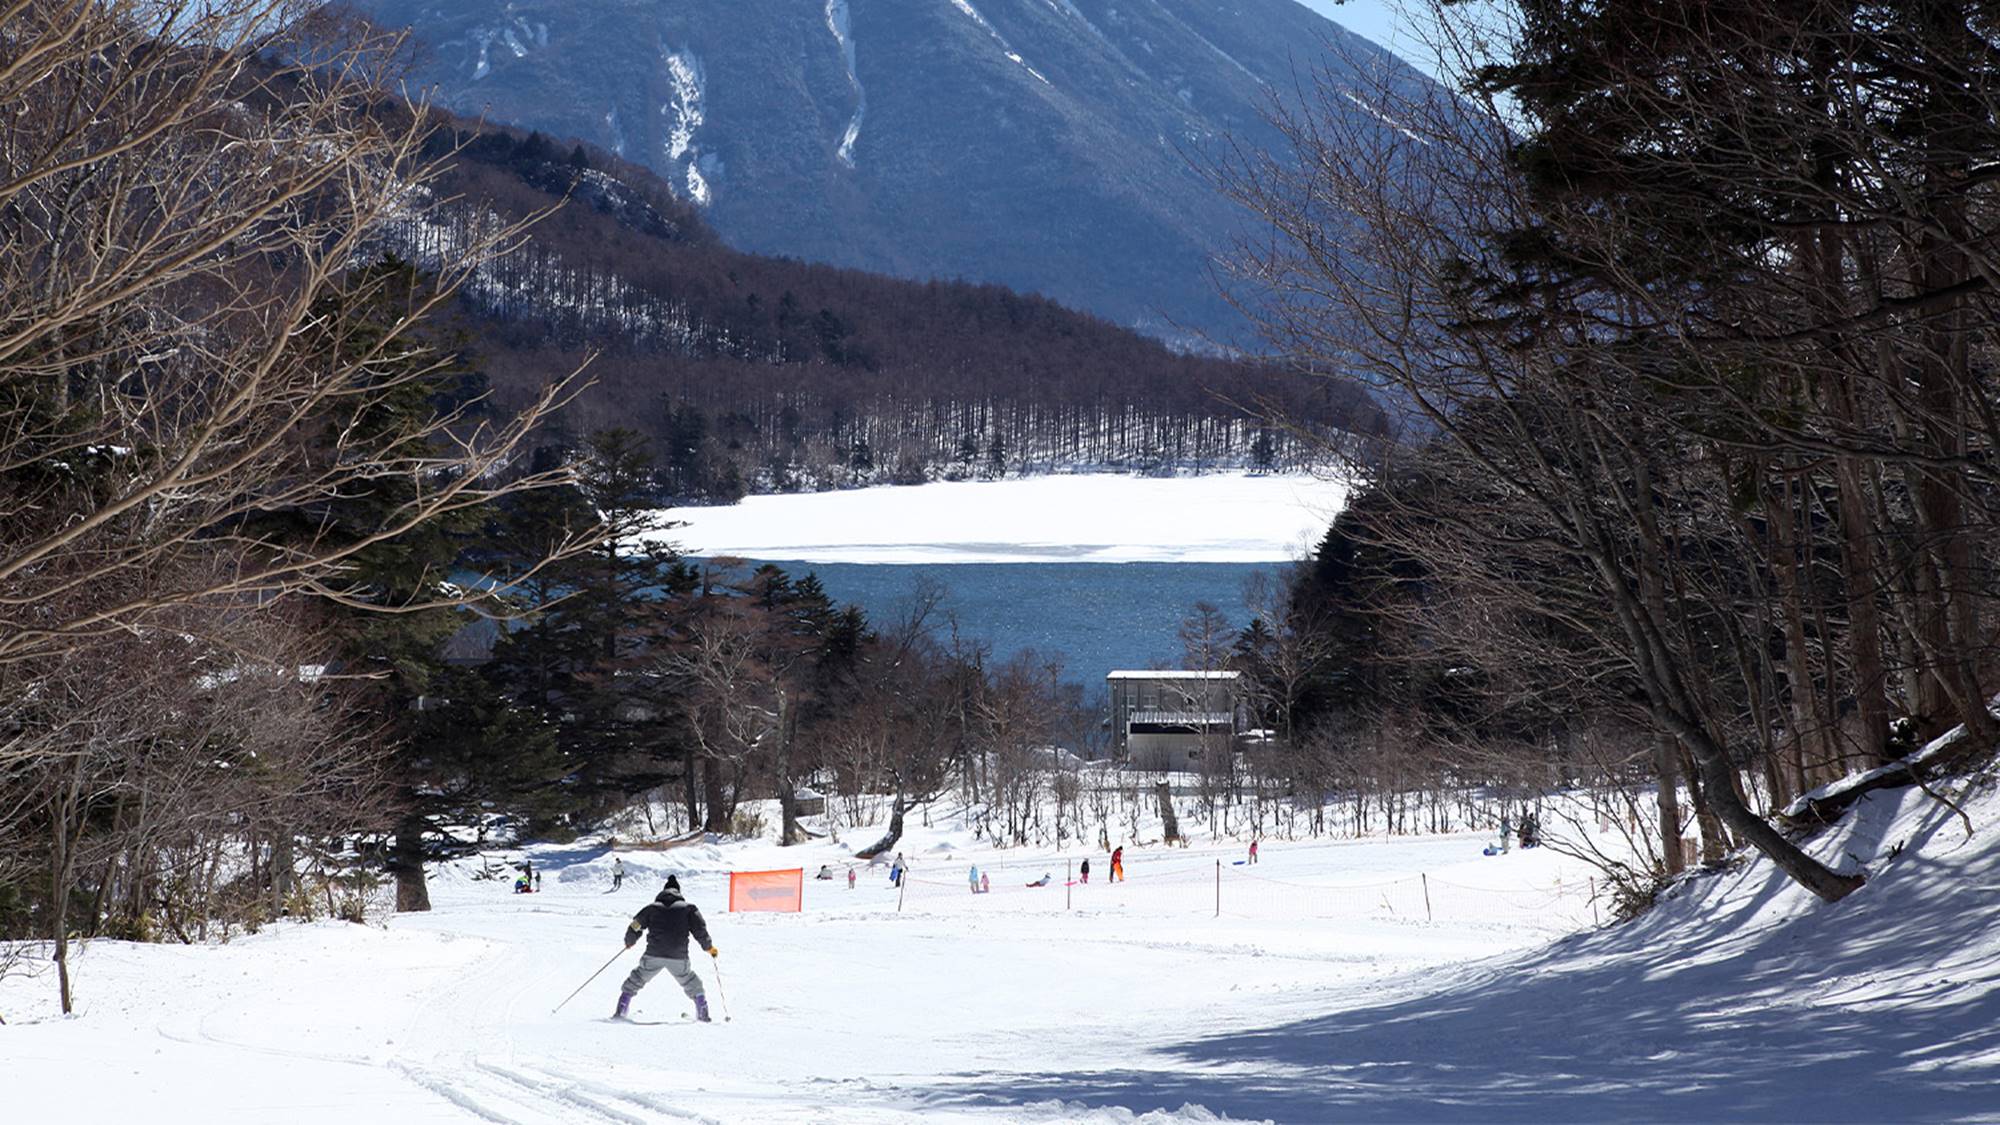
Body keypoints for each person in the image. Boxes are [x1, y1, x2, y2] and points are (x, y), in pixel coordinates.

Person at [615, 875, 718, 1022]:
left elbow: (635, 925)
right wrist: (709, 947)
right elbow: (700, 930)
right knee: (690, 981)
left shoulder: (651, 908)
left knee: (636, 979)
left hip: (653, 955)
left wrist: (630, 941)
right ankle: (702, 1012)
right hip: (678, 956)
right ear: (679, 893)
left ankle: (621, 1009)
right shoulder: (689, 909)